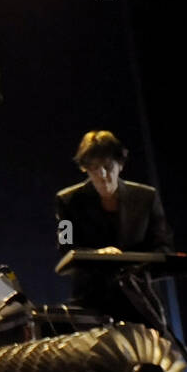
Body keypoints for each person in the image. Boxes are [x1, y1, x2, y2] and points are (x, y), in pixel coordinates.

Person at [55, 129, 173, 324]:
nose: (102, 175)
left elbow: (163, 246)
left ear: (121, 164)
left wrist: (132, 266)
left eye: (107, 166)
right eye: (93, 168)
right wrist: (98, 255)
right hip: (92, 302)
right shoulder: (66, 201)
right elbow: (65, 247)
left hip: (141, 302)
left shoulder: (146, 197)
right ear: (84, 169)